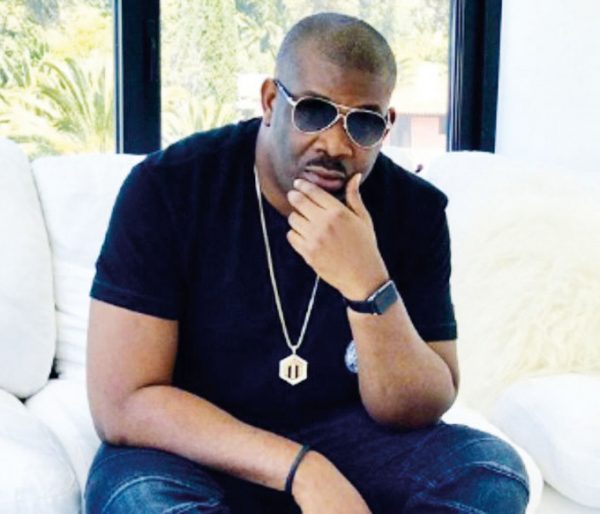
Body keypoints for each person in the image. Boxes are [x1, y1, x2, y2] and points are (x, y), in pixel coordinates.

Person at [85, 12, 529, 514]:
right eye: (314, 112)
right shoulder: (169, 187)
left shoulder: (415, 210)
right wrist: (301, 470)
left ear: (386, 126)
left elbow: (419, 407)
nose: (336, 145)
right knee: (143, 501)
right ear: (270, 101)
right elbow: (124, 402)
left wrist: (367, 284)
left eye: (363, 123)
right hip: (197, 442)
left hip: (349, 439)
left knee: (490, 471)